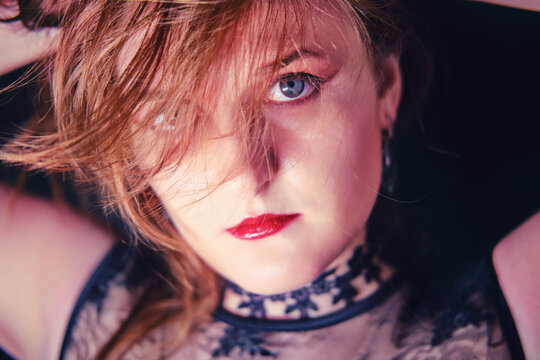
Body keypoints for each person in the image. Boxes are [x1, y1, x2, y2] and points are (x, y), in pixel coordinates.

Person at [0, 0, 520, 359]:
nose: (246, 172)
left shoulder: (518, 317)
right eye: (171, 116)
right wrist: (93, 18)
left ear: (384, 88)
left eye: (291, 86)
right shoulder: (74, 310)